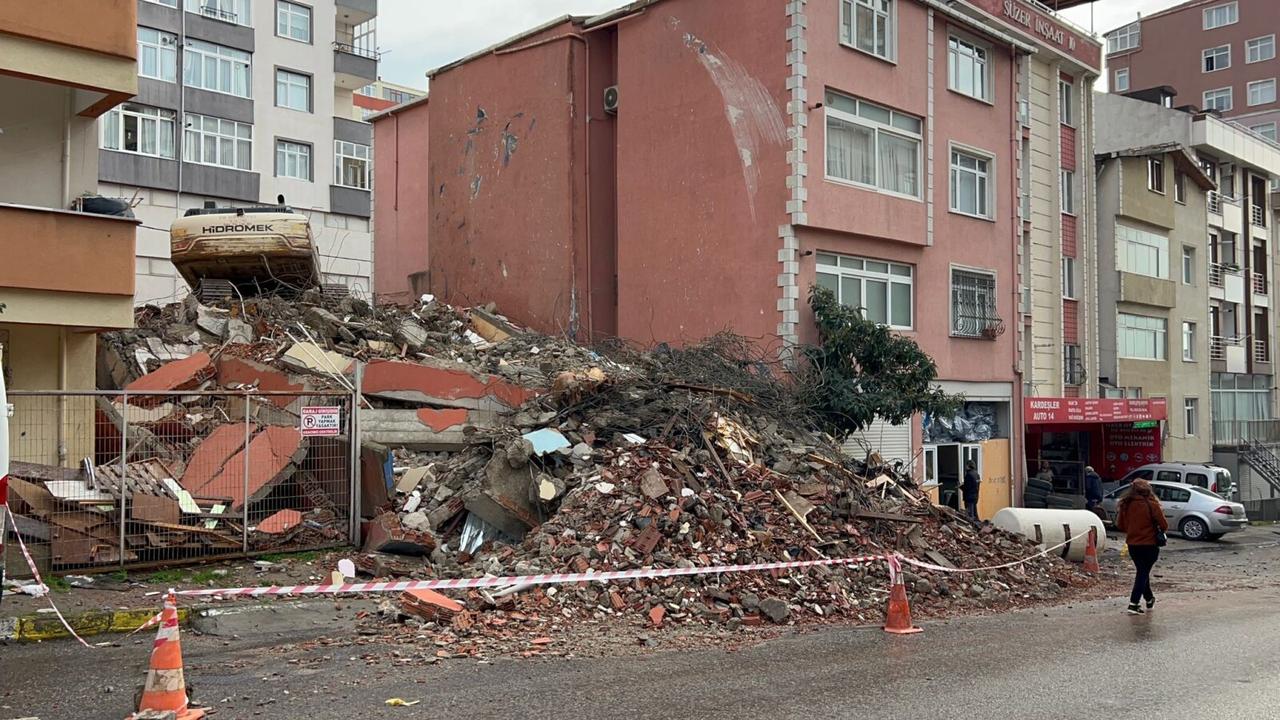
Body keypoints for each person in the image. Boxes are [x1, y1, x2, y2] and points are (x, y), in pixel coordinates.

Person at [1114, 479, 1168, 615]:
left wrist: (1133, 529)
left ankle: (1149, 598)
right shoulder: (1152, 505)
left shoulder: (1125, 505)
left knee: (1142, 572)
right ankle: (1134, 603)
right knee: (1143, 572)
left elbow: (1120, 525)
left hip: (1133, 544)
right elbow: (1164, 525)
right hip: (1150, 544)